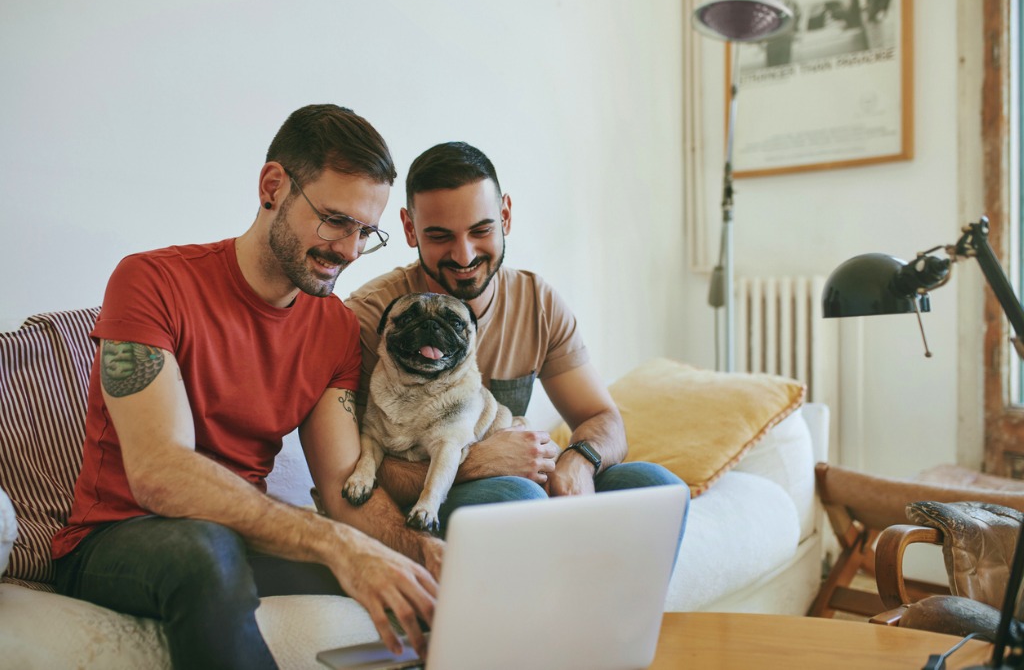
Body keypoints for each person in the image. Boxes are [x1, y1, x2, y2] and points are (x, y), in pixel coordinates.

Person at [50, 104, 440, 668]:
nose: (350, 251)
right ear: (273, 186)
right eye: (335, 220)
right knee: (206, 552)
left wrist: (417, 553)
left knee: (404, 583)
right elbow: (161, 474)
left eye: (366, 231)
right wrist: (336, 543)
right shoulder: (151, 281)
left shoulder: (332, 327)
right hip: (117, 537)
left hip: (240, 538)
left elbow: (340, 488)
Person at [345, 141, 688, 534]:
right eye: (440, 236)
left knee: (656, 489)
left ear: (505, 216)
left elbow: (601, 417)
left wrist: (578, 462)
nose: (463, 254)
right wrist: (478, 462)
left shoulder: (537, 301)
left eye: (481, 230)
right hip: (440, 497)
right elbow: (345, 466)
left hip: (525, 479)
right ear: (409, 228)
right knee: (516, 499)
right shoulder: (371, 317)